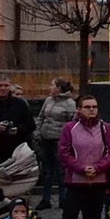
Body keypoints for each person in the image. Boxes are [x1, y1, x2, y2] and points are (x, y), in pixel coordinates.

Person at [44, 95, 110, 219]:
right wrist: (82, 168)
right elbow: (64, 153)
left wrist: (97, 168)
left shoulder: (105, 128)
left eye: (94, 106)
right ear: (79, 109)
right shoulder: (70, 128)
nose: (91, 110)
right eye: (87, 107)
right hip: (76, 181)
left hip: (98, 181)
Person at [35, 78, 76, 211]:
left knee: (61, 171)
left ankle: (63, 199)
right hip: (45, 139)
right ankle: (45, 199)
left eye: (52, 85)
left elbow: (72, 123)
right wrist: (38, 132)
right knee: (46, 171)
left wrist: (67, 140)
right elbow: (41, 117)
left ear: (59, 88)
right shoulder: (48, 100)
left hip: (60, 141)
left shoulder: (70, 103)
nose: (50, 87)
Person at [0, 75, 35, 165]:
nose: (3, 88)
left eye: (6, 85)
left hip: (16, 150)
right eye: (0, 86)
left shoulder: (20, 104)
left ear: (10, 87)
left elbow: (31, 125)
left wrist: (18, 129)